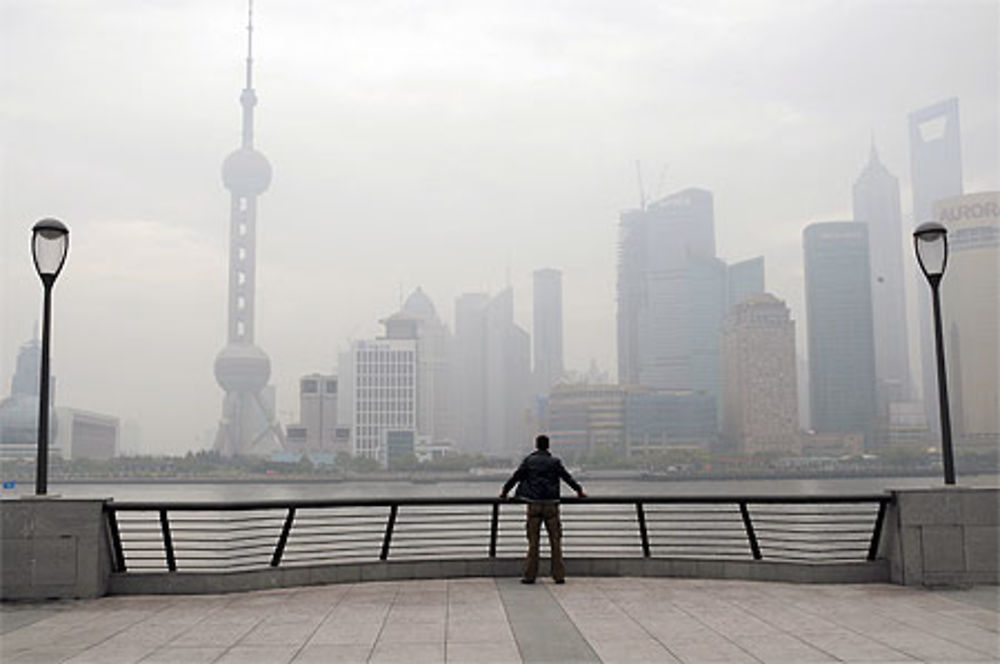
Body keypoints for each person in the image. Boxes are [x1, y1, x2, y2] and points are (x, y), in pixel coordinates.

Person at [500, 434, 586, 584]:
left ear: (536, 445)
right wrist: (579, 491)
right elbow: (567, 478)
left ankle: (530, 575)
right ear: (548, 446)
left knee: (533, 542)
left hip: (533, 505)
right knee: (556, 541)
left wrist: (505, 492)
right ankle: (558, 576)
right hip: (551, 505)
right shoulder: (555, 462)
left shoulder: (529, 461)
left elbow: (516, 477)